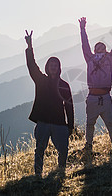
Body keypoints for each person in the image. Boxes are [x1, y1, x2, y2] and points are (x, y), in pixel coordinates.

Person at [24, 30, 74, 176]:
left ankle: (61, 171)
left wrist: (70, 126)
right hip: (43, 122)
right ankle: (38, 174)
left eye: (55, 65)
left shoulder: (64, 85)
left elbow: (69, 107)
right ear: (47, 67)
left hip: (59, 123)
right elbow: (31, 65)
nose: (53, 67)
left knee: (63, 150)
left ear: (59, 68)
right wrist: (29, 46)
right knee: (40, 149)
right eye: (51, 64)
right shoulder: (41, 80)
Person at [78, 17, 112, 155]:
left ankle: (93, 146)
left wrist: (82, 29)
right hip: (101, 96)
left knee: (94, 124)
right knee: (106, 124)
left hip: (97, 96)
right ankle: (109, 146)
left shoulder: (92, 58)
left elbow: (85, 45)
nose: (100, 49)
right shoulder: (106, 58)